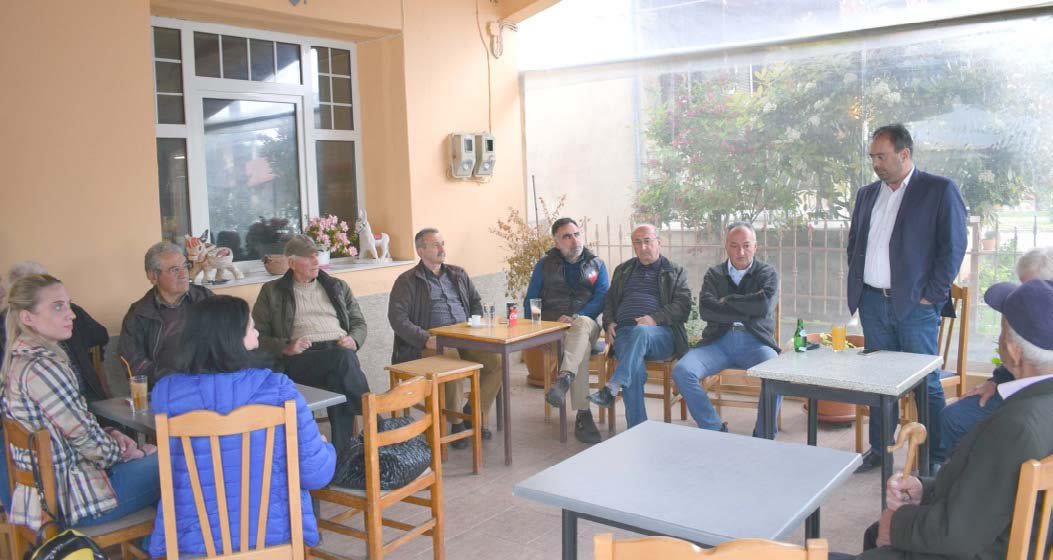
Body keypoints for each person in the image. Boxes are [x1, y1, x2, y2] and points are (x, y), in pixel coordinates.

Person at [830, 279, 1053, 559]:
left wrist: (897, 526)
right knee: (873, 531)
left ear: (1015, 351)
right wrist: (925, 489)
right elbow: (993, 491)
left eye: (1002, 331)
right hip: (990, 533)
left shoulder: (1015, 426)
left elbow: (958, 534)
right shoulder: (1037, 406)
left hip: (968, 551)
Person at [148, 296, 335, 557]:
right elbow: (316, 475)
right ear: (230, 337)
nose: (257, 331)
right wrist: (326, 448)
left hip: (193, 544)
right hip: (273, 539)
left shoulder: (167, 394)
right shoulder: (278, 389)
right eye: (250, 326)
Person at [846, 124, 968, 471]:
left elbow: (953, 246)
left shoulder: (939, 190)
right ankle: (880, 449)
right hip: (872, 303)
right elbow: (855, 243)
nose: (876, 164)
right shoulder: (867, 194)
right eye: (872, 157)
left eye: (882, 157)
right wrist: (860, 287)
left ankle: (934, 457)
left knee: (924, 384)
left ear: (904, 154)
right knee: (879, 381)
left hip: (916, 307)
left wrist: (932, 295)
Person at [0, 274, 160, 532]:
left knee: (159, 460)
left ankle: (152, 543)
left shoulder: (21, 360)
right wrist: (133, 453)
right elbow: (88, 443)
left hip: (48, 494)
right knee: (179, 461)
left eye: (68, 304)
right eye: (57, 306)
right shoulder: (42, 368)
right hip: (71, 500)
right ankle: (162, 545)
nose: (71, 314)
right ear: (27, 318)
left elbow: (73, 430)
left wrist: (112, 434)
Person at [252, 234, 369, 452]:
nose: (316, 261)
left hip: (338, 352)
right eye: (309, 257)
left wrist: (354, 339)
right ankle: (374, 416)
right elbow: (257, 336)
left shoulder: (337, 286)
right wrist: (286, 346)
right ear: (292, 262)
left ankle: (342, 454)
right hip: (302, 358)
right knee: (343, 361)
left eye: (317, 255)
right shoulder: (272, 291)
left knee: (339, 377)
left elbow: (358, 322)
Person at [388, 228, 502, 448]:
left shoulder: (458, 274)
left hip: (464, 335)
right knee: (452, 362)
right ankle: (457, 423)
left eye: (442, 243)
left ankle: (473, 413)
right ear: (421, 251)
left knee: (496, 361)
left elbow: (475, 302)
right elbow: (397, 319)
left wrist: (475, 325)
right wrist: (425, 339)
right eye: (435, 245)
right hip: (430, 341)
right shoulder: (407, 281)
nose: (442, 249)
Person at [938, 246, 1053, 460]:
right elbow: (1017, 360)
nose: (1023, 295)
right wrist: (996, 381)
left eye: (1031, 287)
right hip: (1015, 387)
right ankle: (945, 470)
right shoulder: (1020, 310)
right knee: (953, 418)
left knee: (1011, 434)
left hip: (1040, 399)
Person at [671, 222, 781, 436]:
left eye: (746, 245)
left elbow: (764, 306)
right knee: (682, 371)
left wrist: (728, 300)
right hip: (717, 343)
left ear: (755, 246)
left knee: (777, 373)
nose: (741, 252)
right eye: (734, 245)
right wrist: (748, 309)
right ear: (726, 246)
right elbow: (707, 310)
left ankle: (763, 436)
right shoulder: (714, 274)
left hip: (756, 343)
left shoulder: (767, 273)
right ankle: (714, 428)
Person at [587, 224, 692, 429]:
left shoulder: (674, 271)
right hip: (625, 333)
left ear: (659, 242)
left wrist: (654, 319)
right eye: (637, 242)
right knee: (634, 371)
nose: (643, 247)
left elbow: (683, 306)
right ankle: (638, 429)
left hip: (661, 334)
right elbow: (609, 302)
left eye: (647, 241)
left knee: (642, 331)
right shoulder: (623, 270)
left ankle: (613, 386)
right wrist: (609, 323)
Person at [531, 217, 610, 444]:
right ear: (557, 243)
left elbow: (602, 298)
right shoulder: (544, 265)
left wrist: (576, 316)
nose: (574, 240)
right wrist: (538, 329)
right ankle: (582, 413)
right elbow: (532, 300)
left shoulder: (597, 264)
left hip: (587, 326)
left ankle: (565, 378)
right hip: (555, 328)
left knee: (582, 324)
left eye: (576, 234)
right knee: (580, 350)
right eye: (567, 236)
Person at [1, 261, 110, 402]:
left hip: (87, 396)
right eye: (57, 306)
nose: (71, 315)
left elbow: (100, 337)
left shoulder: (73, 313)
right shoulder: (40, 366)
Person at [120, 242, 213, 383]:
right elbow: (134, 365)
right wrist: (178, 380)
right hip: (166, 386)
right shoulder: (139, 314)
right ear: (153, 276)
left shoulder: (206, 299)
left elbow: (231, 340)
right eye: (174, 270)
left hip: (209, 380)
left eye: (185, 266)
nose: (183, 274)